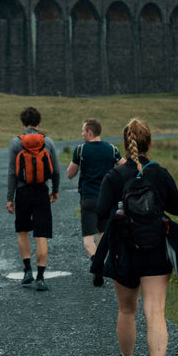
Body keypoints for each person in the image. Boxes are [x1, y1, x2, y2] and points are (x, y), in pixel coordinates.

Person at [94, 118, 178, 356]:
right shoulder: (160, 173)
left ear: (124, 144)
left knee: (127, 310)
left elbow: (100, 214)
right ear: (150, 143)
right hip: (156, 248)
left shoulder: (115, 176)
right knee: (155, 312)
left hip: (123, 251)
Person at [6, 106, 60, 292]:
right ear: (39, 122)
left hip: (22, 192)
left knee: (22, 231)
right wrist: (55, 190)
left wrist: (9, 198)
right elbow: (56, 171)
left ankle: (27, 270)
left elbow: (12, 173)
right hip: (41, 192)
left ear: (22, 122)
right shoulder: (48, 142)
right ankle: (41, 277)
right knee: (41, 235)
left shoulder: (15, 143)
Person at [66, 118, 124, 286]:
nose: (81, 133)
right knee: (102, 236)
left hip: (88, 199)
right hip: (107, 200)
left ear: (90, 132)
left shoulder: (81, 150)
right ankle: (100, 265)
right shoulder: (112, 150)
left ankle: (96, 265)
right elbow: (124, 167)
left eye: (83, 131)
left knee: (87, 240)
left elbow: (70, 174)